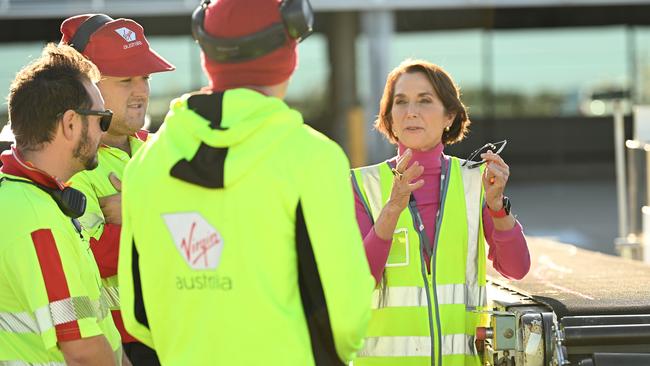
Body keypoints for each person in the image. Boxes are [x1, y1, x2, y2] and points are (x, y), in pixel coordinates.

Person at [116, 0, 374, 365]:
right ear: (289, 54)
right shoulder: (312, 157)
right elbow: (346, 319)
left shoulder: (146, 163)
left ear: (208, 53)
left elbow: (138, 317)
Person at [350, 59, 531, 366]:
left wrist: (498, 208)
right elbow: (356, 281)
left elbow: (517, 268)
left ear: (449, 115)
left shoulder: (475, 182)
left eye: (425, 101)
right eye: (401, 102)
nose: (411, 112)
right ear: (389, 119)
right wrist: (392, 208)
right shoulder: (361, 185)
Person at [0, 44, 126, 365]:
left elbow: (95, 329)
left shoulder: (34, 200)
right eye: (102, 118)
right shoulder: (36, 217)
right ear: (71, 124)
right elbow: (82, 351)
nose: (104, 131)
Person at [60, 14, 175, 364]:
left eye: (146, 77)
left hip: (177, 337)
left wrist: (142, 211)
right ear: (85, 88)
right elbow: (91, 259)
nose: (141, 90)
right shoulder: (66, 163)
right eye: (126, 79)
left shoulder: (161, 149)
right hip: (121, 348)